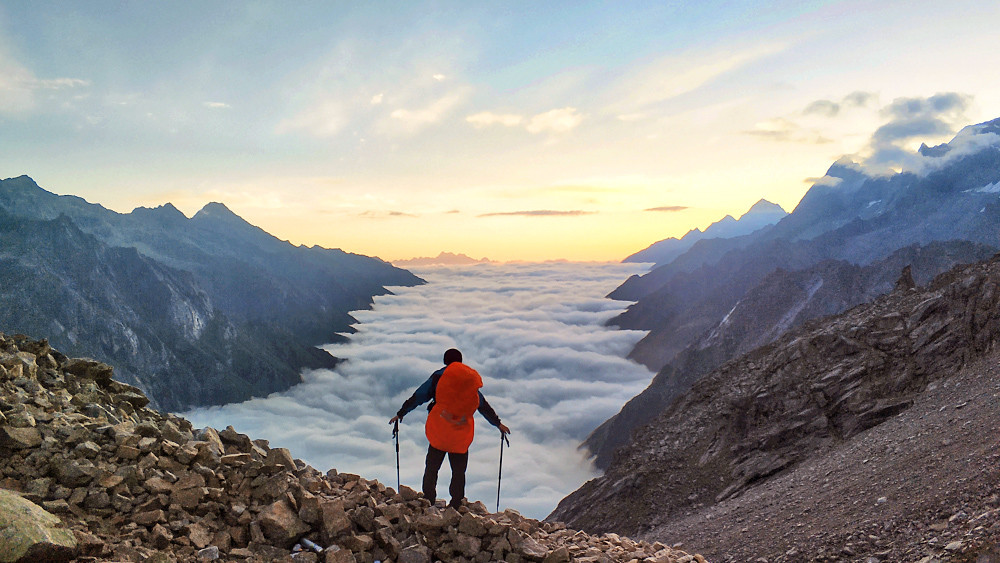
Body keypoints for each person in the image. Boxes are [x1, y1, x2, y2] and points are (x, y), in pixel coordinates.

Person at [389, 348, 510, 509]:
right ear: (460, 361)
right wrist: (498, 424)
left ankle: (428, 499)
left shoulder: (439, 377)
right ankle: (456, 504)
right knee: (458, 472)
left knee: (432, 467)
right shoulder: (468, 381)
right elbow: (482, 405)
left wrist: (401, 412)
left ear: (445, 361)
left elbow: (419, 396)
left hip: (440, 431)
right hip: (461, 435)